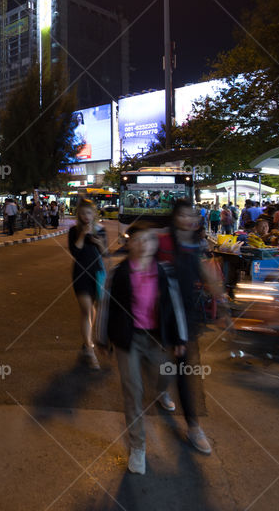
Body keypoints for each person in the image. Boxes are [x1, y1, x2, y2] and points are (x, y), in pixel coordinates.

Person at [95, 220, 188, 474]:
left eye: (147, 239)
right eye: (136, 240)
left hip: (158, 338)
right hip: (129, 339)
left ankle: (161, 392)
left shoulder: (165, 272)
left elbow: (176, 306)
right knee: (132, 390)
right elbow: (105, 306)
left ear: (155, 243)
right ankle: (138, 447)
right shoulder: (119, 273)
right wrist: (101, 337)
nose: (142, 244)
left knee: (163, 376)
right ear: (129, 244)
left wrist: (180, 338)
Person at [155, 199, 223, 455]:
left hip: (188, 316)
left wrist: (220, 298)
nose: (188, 219)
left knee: (184, 368)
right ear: (174, 218)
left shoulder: (196, 244)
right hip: (164, 313)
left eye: (191, 215)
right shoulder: (162, 241)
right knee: (169, 359)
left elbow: (206, 274)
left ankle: (193, 426)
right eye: (182, 215)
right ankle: (163, 391)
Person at [68, 200, 106, 371]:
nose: (86, 216)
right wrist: (83, 235)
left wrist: (99, 243)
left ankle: (87, 342)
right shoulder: (73, 231)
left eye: (88, 213)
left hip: (96, 274)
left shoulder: (100, 230)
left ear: (93, 215)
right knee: (86, 309)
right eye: (82, 213)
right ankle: (90, 350)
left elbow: (105, 252)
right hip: (80, 274)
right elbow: (75, 252)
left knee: (93, 311)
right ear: (79, 215)